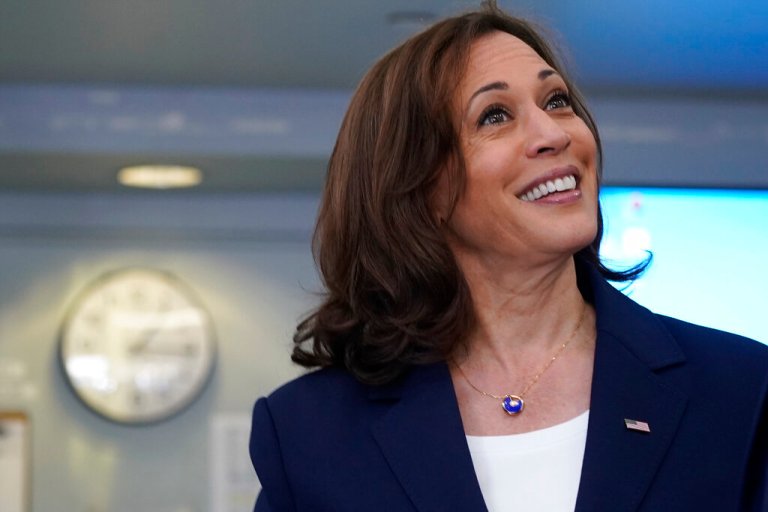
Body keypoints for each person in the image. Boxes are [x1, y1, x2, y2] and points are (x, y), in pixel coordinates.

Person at [249, 2, 768, 511]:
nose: (554, 134)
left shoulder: (740, 390)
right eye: (495, 115)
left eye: (557, 101)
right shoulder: (305, 435)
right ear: (419, 188)